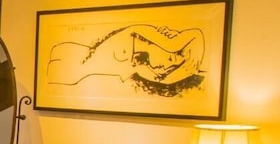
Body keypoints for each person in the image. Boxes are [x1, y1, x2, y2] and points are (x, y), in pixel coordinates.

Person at [46, 24, 205, 90]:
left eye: (169, 67)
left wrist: (187, 71)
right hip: (73, 54)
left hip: (76, 75)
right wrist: (189, 40)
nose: (163, 66)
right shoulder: (135, 33)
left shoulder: (138, 66)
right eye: (170, 59)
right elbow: (175, 43)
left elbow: (164, 80)